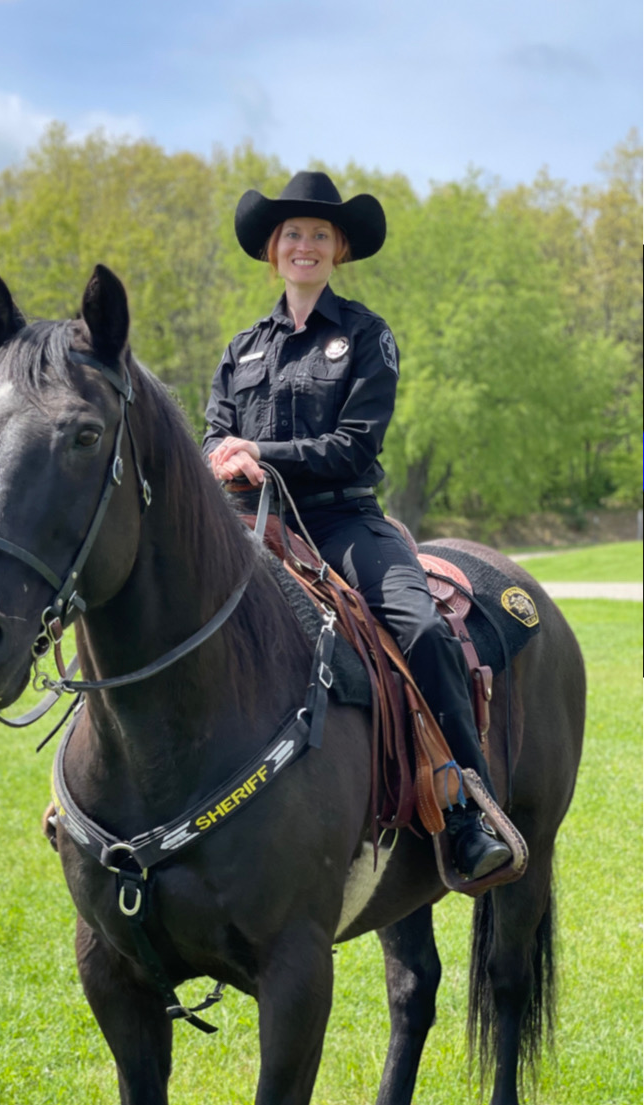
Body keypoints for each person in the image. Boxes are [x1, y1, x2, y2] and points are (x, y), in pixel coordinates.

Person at [202, 170, 512, 881]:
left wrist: (262, 453)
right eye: (291, 235)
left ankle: (467, 805)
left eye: (317, 234)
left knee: (424, 629)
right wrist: (218, 456)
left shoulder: (367, 337)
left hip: (341, 520)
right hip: (249, 522)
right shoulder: (241, 348)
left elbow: (355, 444)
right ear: (271, 251)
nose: (302, 246)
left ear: (337, 249)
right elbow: (213, 434)